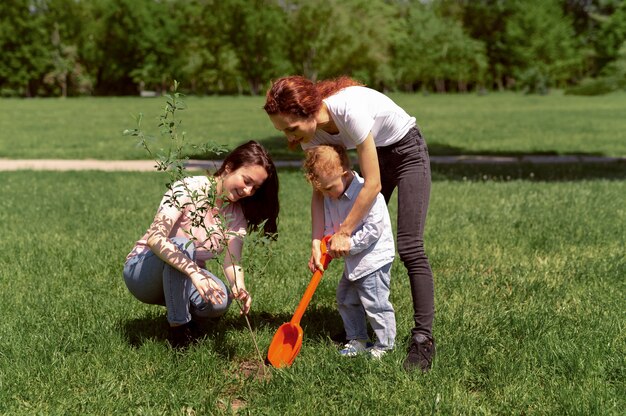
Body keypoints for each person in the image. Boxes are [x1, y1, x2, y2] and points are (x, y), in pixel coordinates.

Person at [264, 75, 435, 372]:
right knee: (362, 244)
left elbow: (373, 184)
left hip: (406, 153)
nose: (290, 139)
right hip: (377, 154)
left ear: (310, 112)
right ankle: (359, 326)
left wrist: (344, 232)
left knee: (410, 247)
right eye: (283, 132)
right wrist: (317, 240)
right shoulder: (312, 134)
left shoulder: (348, 111)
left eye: (291, 129)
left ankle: (423, 338)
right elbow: (320, 192)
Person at [123, 140, 279, 348]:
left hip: (182, 277)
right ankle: (179, 331)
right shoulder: (188, 188)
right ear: (229, 167)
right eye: (246, 180)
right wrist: (195, 273)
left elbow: (231, 260)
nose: (249, 191)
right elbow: (155, 237)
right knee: (182, 245)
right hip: (142, 273)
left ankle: (181, 313)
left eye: (255, 187)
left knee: (221, 300)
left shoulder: (236, 213)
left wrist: (238, 286)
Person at [303, 144, 395, 359]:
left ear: (344, 174)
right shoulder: (330, 196)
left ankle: (385, 345)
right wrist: (325, 248)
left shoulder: (366, 192)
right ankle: (358, 339)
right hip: (353, 262)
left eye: (328, 188)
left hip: (373, 259)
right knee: (345, 298)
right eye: (322, 190)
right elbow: (330, 227)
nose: (326, 194)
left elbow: (374, 229)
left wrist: (349, 244)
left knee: (376, 303)